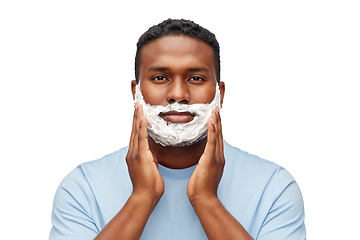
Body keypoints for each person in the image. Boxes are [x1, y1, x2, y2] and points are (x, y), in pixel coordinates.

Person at [50, 19, 306, 240]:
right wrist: (142, 196)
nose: (178, 95)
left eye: (195, 78)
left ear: (220, 93)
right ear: (135, 92)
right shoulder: (82, 188)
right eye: (160, 78)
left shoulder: (274, 188)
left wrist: (206, 200)